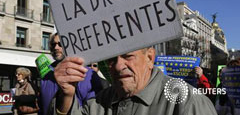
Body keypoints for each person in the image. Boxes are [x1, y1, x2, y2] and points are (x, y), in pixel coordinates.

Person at [49, 47, 217, 115]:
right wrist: (67, 94)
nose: (118, 66)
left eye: (128, 56)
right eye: (112, 59)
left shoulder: (188, 101)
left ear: (150, 57)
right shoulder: (101, 101)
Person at [40, 33, 103, 115]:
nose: (56, 47)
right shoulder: (46, 75)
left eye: (60, 44)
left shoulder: (89, 74)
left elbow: (95, 110)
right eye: (53, 44)